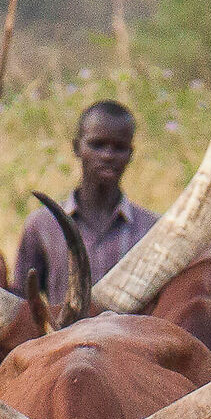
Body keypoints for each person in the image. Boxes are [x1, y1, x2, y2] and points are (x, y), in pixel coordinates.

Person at [12, 100, 156, 300]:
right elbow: (24, 304)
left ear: (130, 154)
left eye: (119, 147)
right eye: (97, 145)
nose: (108, 155)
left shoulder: (151, 230)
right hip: (65, 332)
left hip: (128, 332)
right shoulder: (42, 225)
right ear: (77, 147)